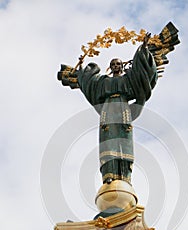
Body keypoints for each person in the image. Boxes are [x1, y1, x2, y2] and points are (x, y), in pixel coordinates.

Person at [58, 33, 158, 184]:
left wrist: (143, 48)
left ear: (122, 65)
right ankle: (108, 174)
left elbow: (142, 73)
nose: (116, 66)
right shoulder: (103, 81)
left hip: (124, 110)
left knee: (125, 141)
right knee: (109, 140)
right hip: (108, 111)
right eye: (113, 64)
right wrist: (82, 71)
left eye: (118, 64)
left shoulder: (128, 80)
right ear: (110, 67)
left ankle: (125, 176)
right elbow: (89, 82)